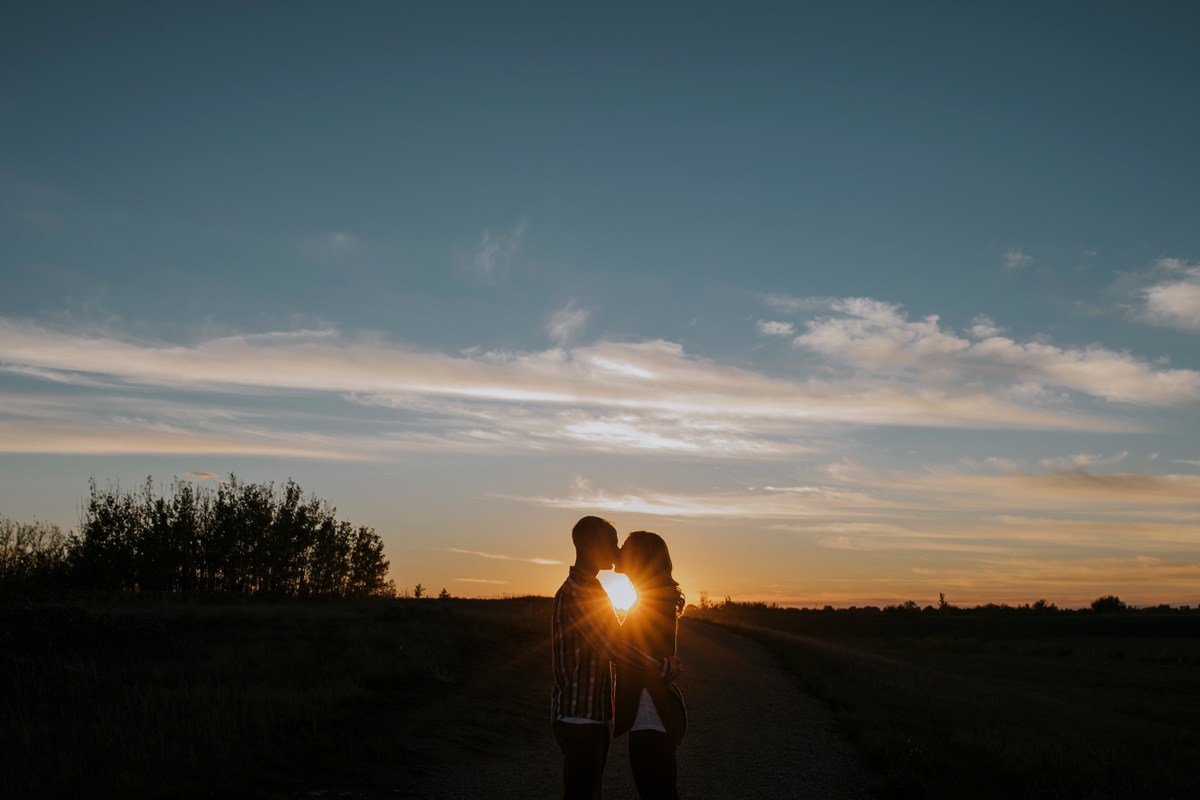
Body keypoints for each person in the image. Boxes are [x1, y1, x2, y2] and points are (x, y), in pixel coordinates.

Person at [551, 516, 683, 800]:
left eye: (623, 546)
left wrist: (663, 665)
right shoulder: (578, 591)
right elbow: (613, 646)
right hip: (581, 716)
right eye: (613, 542)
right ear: (591, 542)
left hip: (618, 713)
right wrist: (663, 666)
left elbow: (619, 643)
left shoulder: (608, 592)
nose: (617, 549)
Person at [613, 531, 687, 800]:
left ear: (641, 558)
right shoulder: (651, 597)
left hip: (649, 710)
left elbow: (623, 648)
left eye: (626, 547)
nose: (619, 550)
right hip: (650, 710)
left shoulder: (653, 599)